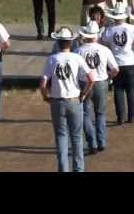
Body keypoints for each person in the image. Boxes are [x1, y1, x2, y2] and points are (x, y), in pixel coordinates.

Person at [39, 26, 94, 172]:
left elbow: (43, 83)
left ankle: (63, 168)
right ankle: (79, 168)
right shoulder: (77, 58)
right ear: (70, 42)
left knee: (61, 136)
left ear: (58, 42)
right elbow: (91, 78)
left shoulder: (52, 59)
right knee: (76, 137)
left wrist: (46, 97)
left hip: (57, 101)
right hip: (74, 100)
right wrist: (84, 93)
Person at [75, 21, 119, 154]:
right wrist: (108, 78)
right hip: (101, 82)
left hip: (84, 83)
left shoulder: (78, 50)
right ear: (97, 35)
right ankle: (101, 141)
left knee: (85, 114)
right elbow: (115, 69)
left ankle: (91, 143)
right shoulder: (104, 50)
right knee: (100, 113)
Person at [101, 3, 134, 124]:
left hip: (116, 64)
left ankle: (120, 117)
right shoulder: (133, 28)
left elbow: (103, 47)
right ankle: (132, 117)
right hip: (130, 63)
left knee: (118, 90)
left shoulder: (108, 30)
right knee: (131, 91)